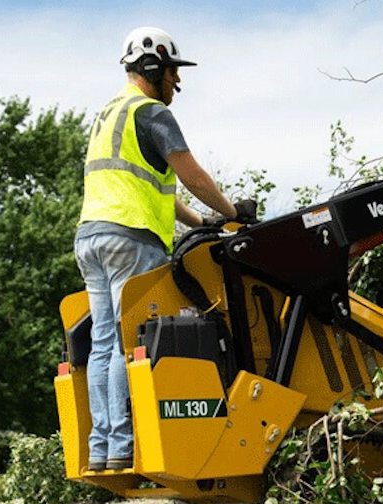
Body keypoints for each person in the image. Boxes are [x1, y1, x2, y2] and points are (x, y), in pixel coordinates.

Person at [75, 26, 255, 471]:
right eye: (174, 72)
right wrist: (233, 210)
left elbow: (158, 188)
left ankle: (103, 448)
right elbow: (191, 174)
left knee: (103, 343)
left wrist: (203, 222)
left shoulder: (109, 114)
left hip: (91, 239)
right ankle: (125, 445)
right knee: (126, 341)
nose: (178, 82)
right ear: (154, 67)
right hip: (131, 239)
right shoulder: (152, 112)